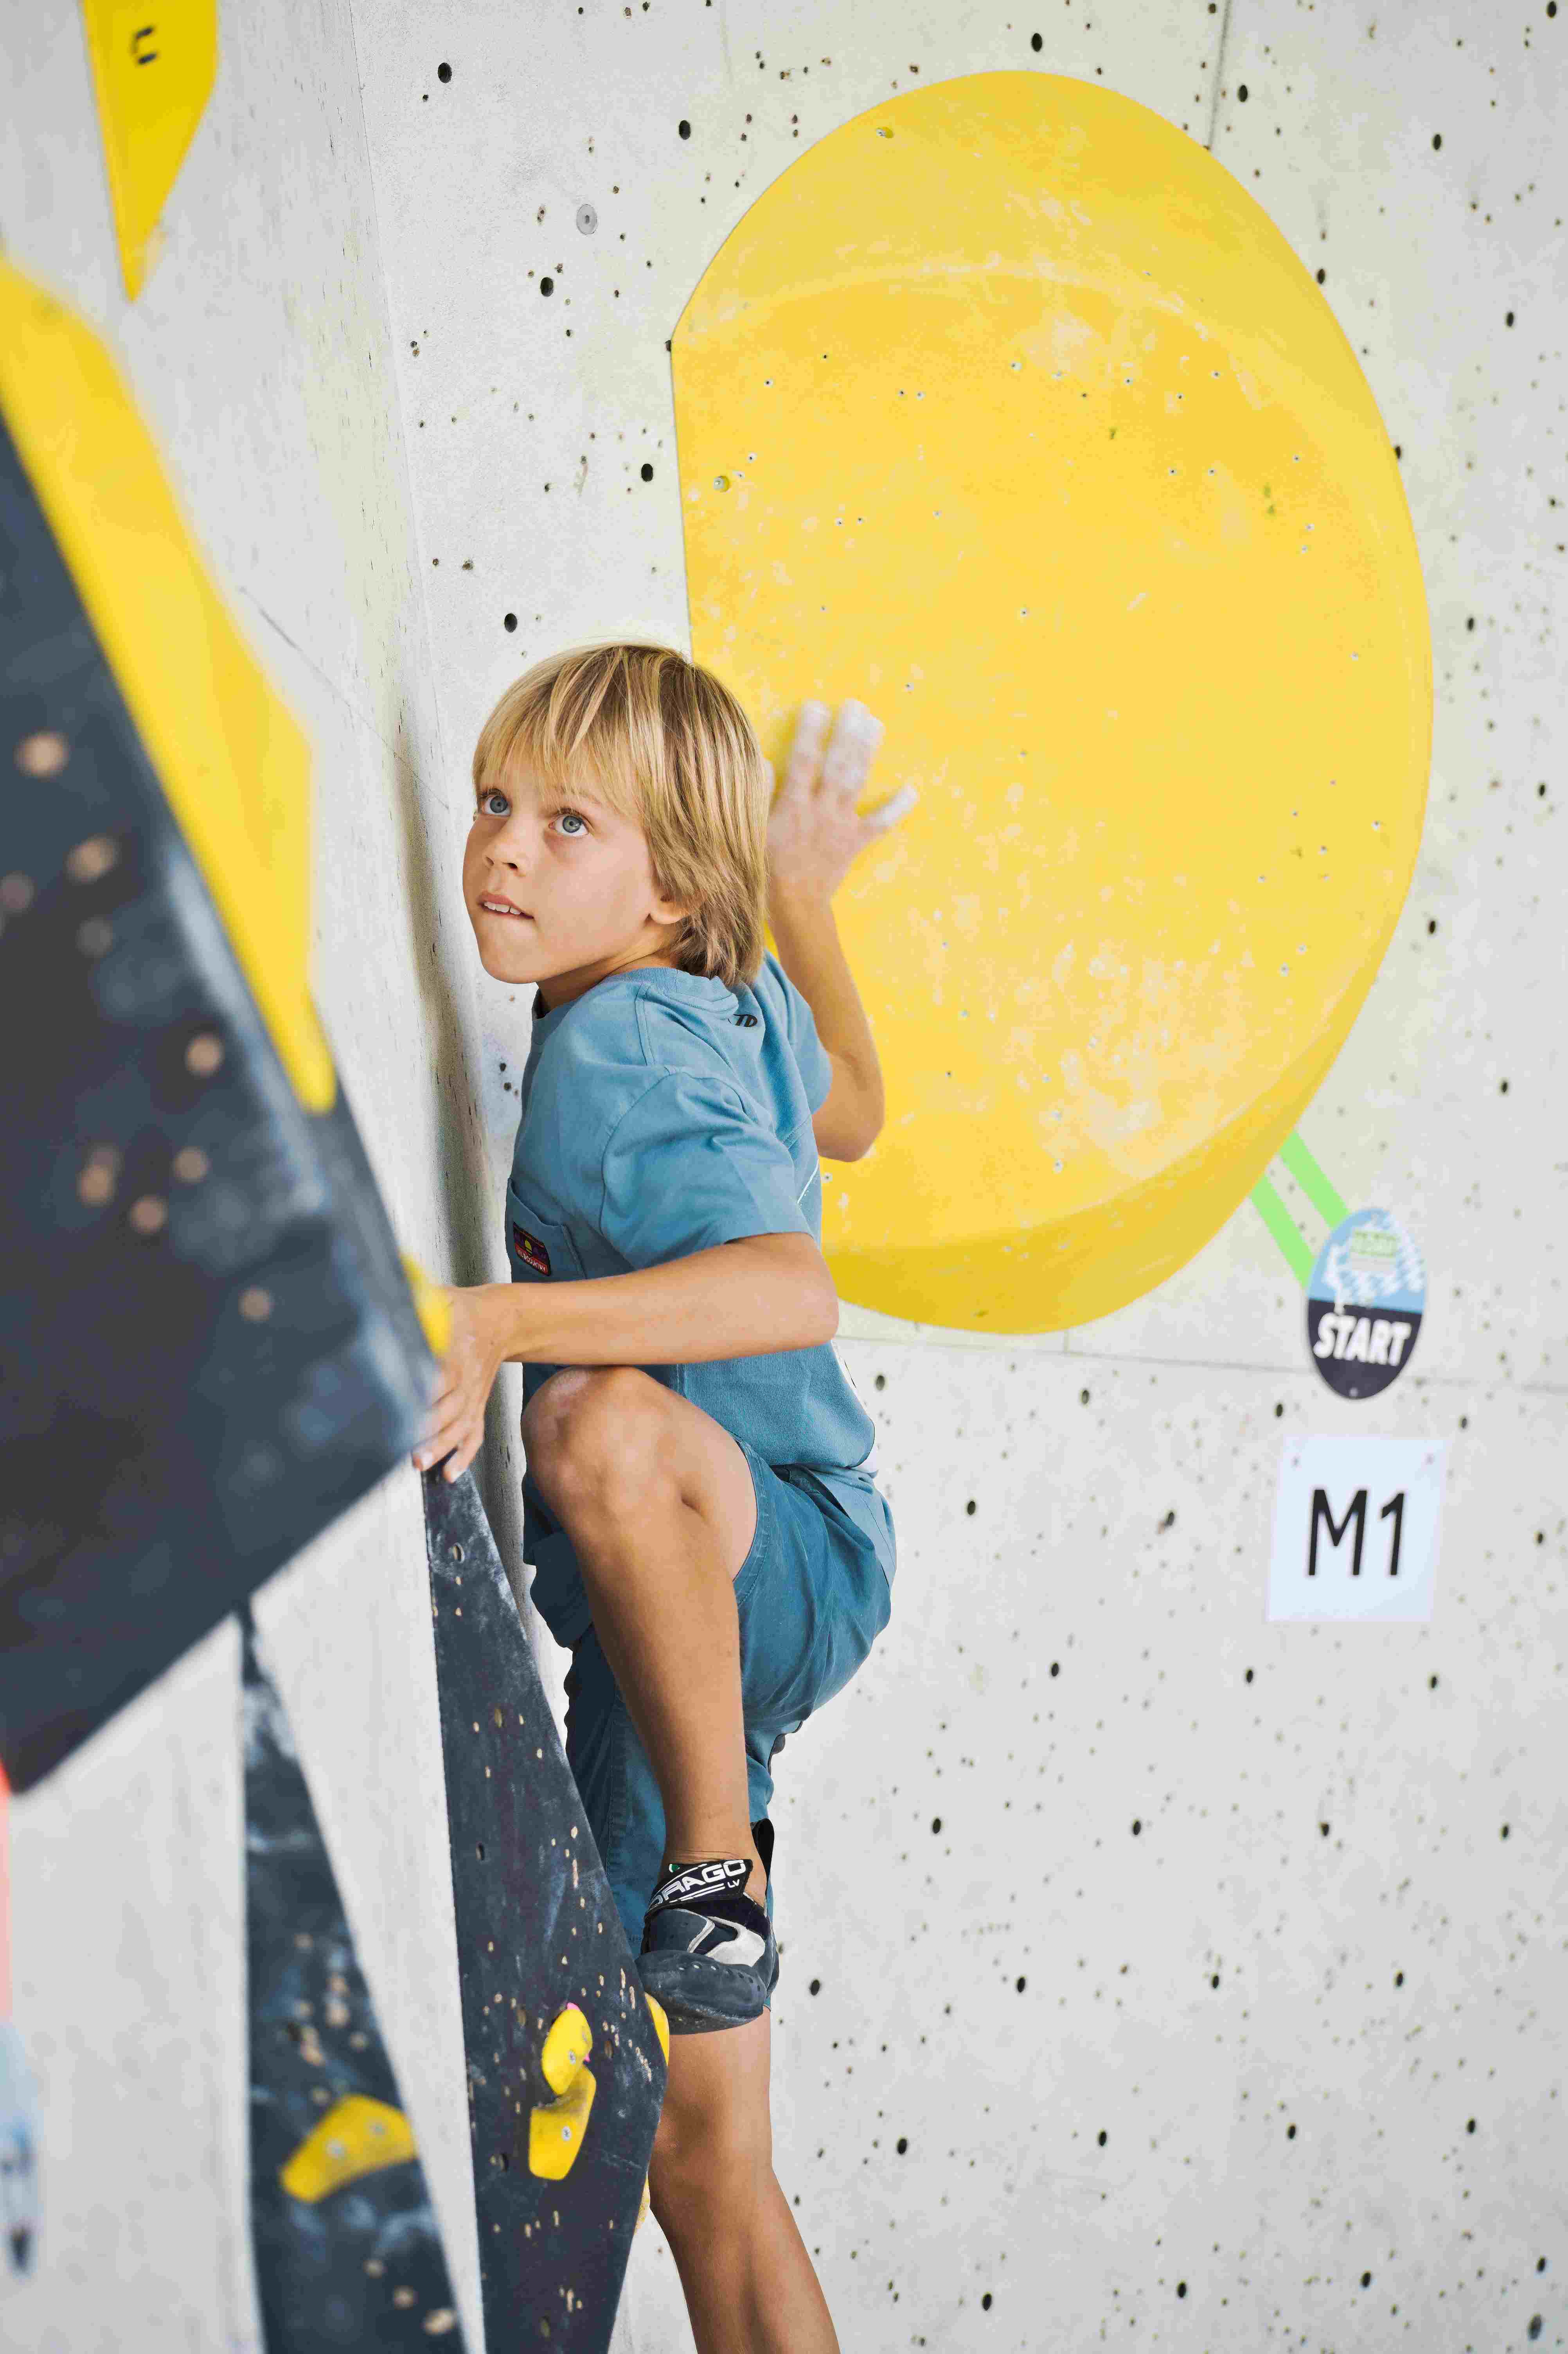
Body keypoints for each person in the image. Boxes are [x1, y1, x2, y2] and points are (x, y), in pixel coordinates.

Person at [411, 641, 917, 2353]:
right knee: (708, 2162)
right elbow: (853, 1109)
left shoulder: (618, 1051)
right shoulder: (726, 992)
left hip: (730, 1553)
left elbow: (793, 1284)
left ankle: (715, 1870)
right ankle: (717, 1879)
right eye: (494, 801)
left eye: (567, 824)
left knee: (597, 1430)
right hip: (751, 1585)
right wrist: (802, 899)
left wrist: (501, 1324)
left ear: (665, 883)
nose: (502, 849)